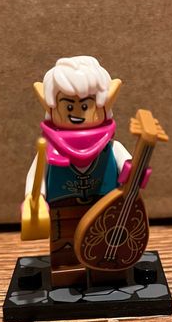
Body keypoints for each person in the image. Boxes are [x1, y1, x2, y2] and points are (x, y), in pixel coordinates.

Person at [22, 56, 132, 287]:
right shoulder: (48, 152)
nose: (76, 113)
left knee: (105, 247)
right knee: (65, 250)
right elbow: (36, 176)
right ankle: (68, 279)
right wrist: (35, 198)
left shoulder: (112, 149)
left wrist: (132, 172)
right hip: (63, 209)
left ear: (103, 104)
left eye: (85, 106)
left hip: (105, 209)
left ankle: (108, 276)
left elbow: (129, 167)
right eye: (69, 106)